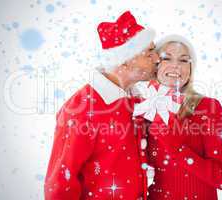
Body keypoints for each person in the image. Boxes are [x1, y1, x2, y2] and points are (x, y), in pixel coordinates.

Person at [44, 10, 159, 200]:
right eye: (149, 53)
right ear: (125, 61)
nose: (157, 59)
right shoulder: (81, 110)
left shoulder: (137, 101)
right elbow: (60, 185)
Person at [132, 35, 222, 200]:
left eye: (184, 60)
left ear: (191, 68)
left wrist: (176, 147)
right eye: (166, 58)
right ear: (155, 64)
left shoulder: (208, 108)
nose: (176, 66)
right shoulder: (144, 110)